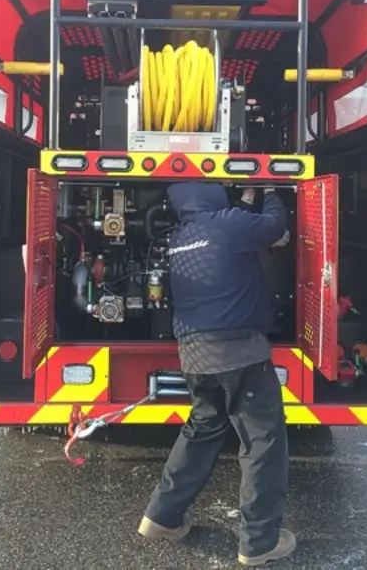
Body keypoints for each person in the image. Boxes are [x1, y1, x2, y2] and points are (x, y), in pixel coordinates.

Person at [137, 182, 296, 567]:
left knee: (202, 431)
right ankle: (259, 542)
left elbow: (239, 221)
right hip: (240, 352)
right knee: (262, 443)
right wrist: (272, 190)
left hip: (195, 356)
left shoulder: (180, 237)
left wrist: (244, 200)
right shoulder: (228, 225)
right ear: (211, 195)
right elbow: (274, 225)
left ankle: (161, 517)